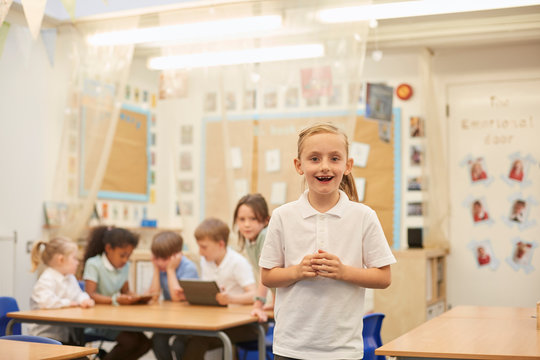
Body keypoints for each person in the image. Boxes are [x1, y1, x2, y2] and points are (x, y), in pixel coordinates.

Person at [259, 123, 396, 360]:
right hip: (291, 347)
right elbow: (268, 276)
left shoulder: (363, 216)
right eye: (314, 158)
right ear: (299, 166)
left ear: (348, 165)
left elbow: (383, 277)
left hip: (343, 349)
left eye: (334, 158)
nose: (325, 167)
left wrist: (342, 271)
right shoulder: (283, 216)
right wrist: (297, 271)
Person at [182, 217, 257, 359]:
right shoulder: (206, 262)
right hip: (217, 321)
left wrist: (231, 299)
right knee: (180, 341)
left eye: (204, 247)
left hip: (244, 325)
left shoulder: (238, 263)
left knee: (198, 341)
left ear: (221, 244)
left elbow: (255, 295)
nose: (200, 252)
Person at [82, 226, 152, 360]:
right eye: (122, 255)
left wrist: (136, 297)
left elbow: (126, 291)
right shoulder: (94, 264)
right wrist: (115, 300)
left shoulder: (125, 266)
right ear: (108, 249)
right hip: (97, 320)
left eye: (129, 256)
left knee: (146, 344)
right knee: (131, 342)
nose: (126, 260)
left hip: (117, 318)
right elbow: (90, 295)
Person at [29, 237, 95, 344]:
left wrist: (84, 299)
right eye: (74, 258)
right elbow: (46, 302)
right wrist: (69, 303)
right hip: (46, 338)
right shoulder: (47, 278)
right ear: (61, 260)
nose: (77, 263)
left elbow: (78, 294)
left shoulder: (70, 277)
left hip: (65, 337)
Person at [147, 231, 199, 360]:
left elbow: (176, 298)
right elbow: (153, 296)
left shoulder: (188, 268)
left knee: (179, 345)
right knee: (157, 340)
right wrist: (156, 269)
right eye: (156, 258)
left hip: (189, 320)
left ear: (177, 255)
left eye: (163, 259)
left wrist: (170, 270)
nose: (159, 262)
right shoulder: (161, 267)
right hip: (172, 320)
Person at [233, 193, 273, 322]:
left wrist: (258, 305)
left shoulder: (265, 235)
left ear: (266, 220)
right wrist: (274, 301)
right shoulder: (249, 240)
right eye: (242, 219)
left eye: (253, 219)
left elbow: (266, 274)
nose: (247, 224)